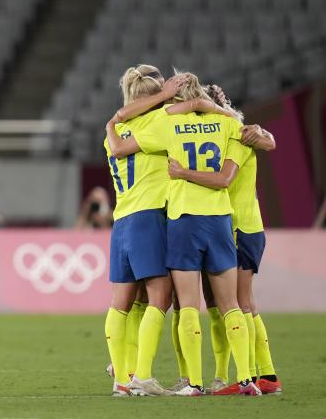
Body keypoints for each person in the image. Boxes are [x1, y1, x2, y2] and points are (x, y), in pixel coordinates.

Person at [108, 73, 262, 396]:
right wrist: (220, 109)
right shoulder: (226, 125)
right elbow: (261, 138)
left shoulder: (166, 124)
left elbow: (120, 145)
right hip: (219, 220)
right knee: (228, 304)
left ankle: (178, 380)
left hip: (176, 220)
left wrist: (111, 126)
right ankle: (244, 378)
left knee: (178, 303)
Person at [166, 85, 281, 395]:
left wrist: (183, 173)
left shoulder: (237, 135)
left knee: (240, 302)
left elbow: (226, 177)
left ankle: (263, 374)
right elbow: (268, 140)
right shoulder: (237, 131)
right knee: (224, 303)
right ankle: (246, 375)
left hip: (238, 227)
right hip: (233, 226)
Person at [101, 65, 185, 396]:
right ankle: (142, 376)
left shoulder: (113, 132)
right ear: (154, 97)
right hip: (149, 217)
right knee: (161, 297)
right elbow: (187, 107)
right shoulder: (160, 120)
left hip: (122, 221)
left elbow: (120, 115)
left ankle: (122, 375)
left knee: (122, 303)